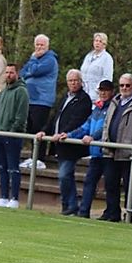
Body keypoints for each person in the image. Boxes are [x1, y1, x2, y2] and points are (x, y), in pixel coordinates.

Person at [35, 69, 92, 215]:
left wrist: (63, 133)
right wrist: (45, 131)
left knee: (64, 175)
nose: (73, 83)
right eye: (70, 81)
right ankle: (67, 205)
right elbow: (55, 117)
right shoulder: (64, 98)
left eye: (75, 80)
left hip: (71, 144)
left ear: (81, 82)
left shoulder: (84, 99)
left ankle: (71, 204)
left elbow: (77, 120)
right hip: (60, 144)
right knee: (64, 176)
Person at [61, 79, 115, 218]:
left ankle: (112, 213)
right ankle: (84, 212)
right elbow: (86, 126)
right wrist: (69, 134)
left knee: (110, 185)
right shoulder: (97, 109)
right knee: (89, 182)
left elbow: (106, 128)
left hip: (107, 153)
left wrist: (92, 137)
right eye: (101, 90)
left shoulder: (113, 108)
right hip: (96, 153)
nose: (103, 93)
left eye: (106, 90)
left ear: (111, 92)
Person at [99, 73, 132, 223]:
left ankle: (130, 214)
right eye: (122, 85)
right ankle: (112, 213)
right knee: (111, 183)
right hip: (111, 150)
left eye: (127, 85)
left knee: (128, 185)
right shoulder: (114, 102)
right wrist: (105, 141)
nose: (124, 88)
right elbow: (107, 124)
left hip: (127, 153)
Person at [20, 34, 59, 170]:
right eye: (37, 44)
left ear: (47, 46)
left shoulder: (50, 60)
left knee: (39, 129)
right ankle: (33, 156)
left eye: (42, 45)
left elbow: (35, 71)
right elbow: (23, 73)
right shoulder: (35, 59)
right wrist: (32, 65)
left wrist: (33, 59)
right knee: (31, 129)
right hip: (30, 99)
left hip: (42, 100)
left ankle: (40, 158)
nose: (39, 47)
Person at [0, 63, 29, 208]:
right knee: (2, 166)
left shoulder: (21, 91)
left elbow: (21, 116)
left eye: (11, 72)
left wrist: (12, 131)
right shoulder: (4, 91)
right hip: (0, 132)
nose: (8, 75)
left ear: (17, 74)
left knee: (13, 167)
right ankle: (3, 196)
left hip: (12, 135)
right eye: (6, 72)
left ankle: (14, 197)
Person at [80, 32, 114, 102]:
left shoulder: (107, 58)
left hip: (96, 96)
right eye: (96, 41)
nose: (97, 43)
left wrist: (98, 90)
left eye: (100, 41)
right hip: (84, 93)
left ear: (104, 44)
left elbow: (107, 77)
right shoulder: (88, 56)